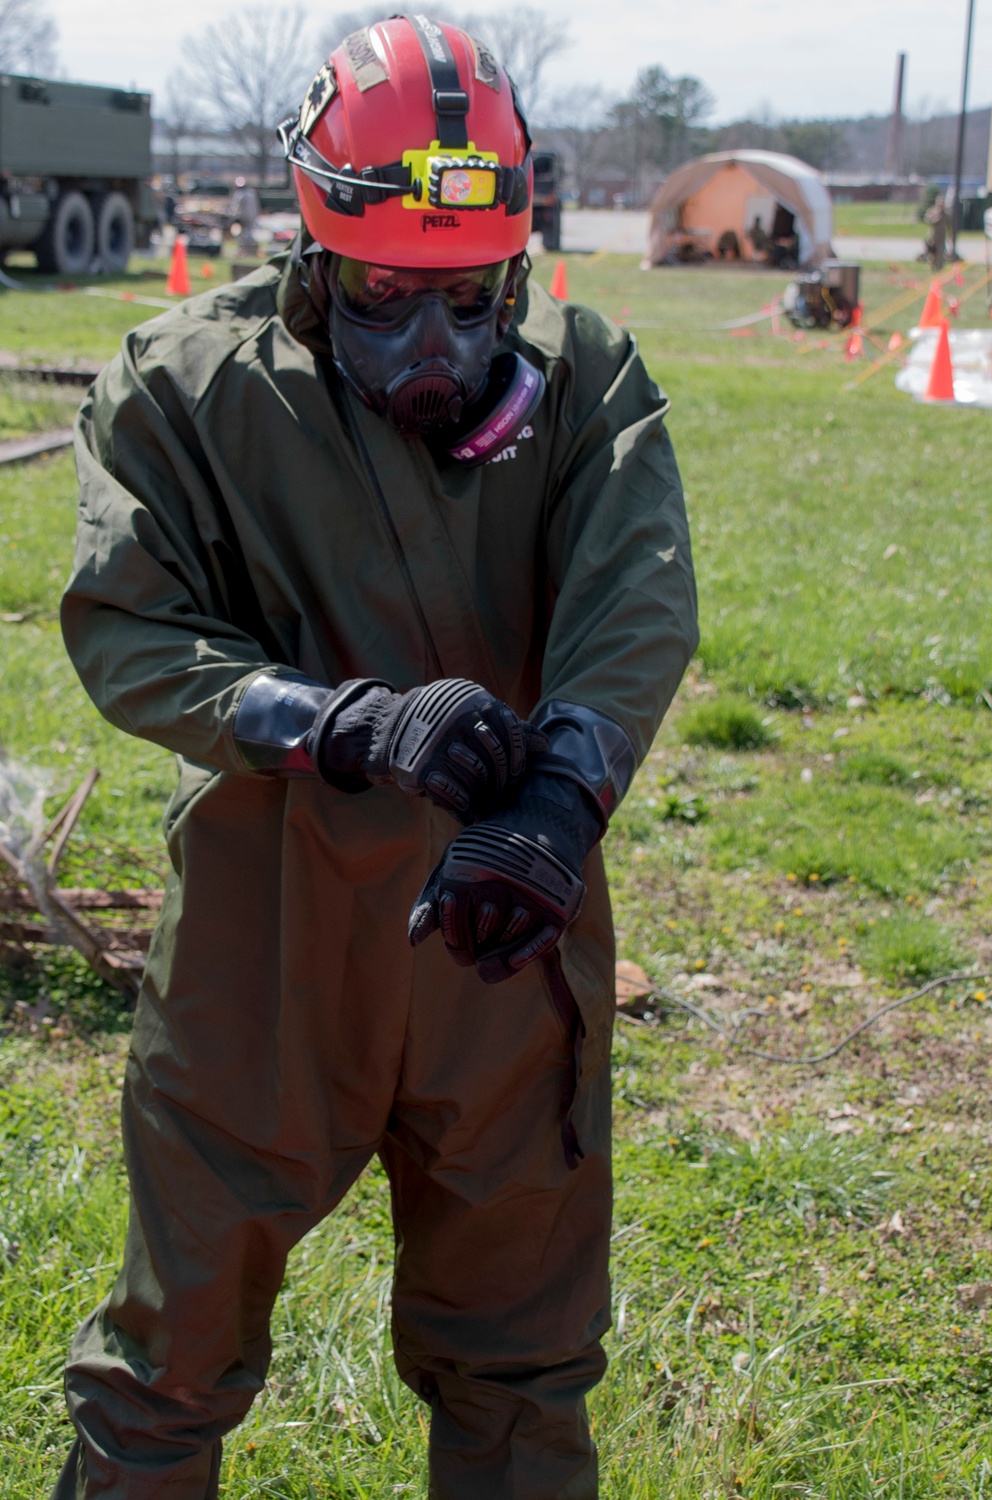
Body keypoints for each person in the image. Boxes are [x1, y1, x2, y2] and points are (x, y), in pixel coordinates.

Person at [51, 16, 698, 1498]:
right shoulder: (188, 387)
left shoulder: (585, 379)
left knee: (522, 1366)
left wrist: (554, 801)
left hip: (507, 930)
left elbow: (638, 599)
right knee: (169, 1363)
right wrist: (332, 717)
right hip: (266, 937)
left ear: (520, 270)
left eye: (473, 304)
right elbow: (129, 628)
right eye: (388, 300)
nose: (436, 352)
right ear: (315, 253)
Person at [229, 174, 262, 256]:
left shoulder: (240, 194)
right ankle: (250, 249)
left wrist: (233, 216)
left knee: (244, 233)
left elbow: (236, 207)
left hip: (243, 216)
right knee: (248, 232)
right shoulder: (252, 193)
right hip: (252, 215)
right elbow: (257, 206)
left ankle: (247, 250)